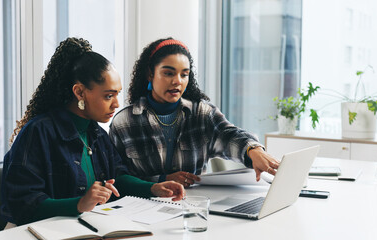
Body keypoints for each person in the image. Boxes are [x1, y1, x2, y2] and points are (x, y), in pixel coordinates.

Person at [1, 37, 184, 227]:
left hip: (82, 229)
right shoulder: (38, 132)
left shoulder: (96, 133)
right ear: (80, 92)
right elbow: (23, 205)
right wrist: (80, 203)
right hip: (35, 232)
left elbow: (118, 177)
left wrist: (153, 188)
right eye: (108, 96)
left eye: (117, 94)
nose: (116, 104)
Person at [109, 37, 280, 187]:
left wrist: (253, 150)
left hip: (193, 207)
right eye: (168, 73)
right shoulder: (124, 122)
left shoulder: (202, 114)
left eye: (184, 75)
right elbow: (118, 177)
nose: (177, 81)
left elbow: (229, 135)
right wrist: (160, 180)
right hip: (143, 208)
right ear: (149, 74)